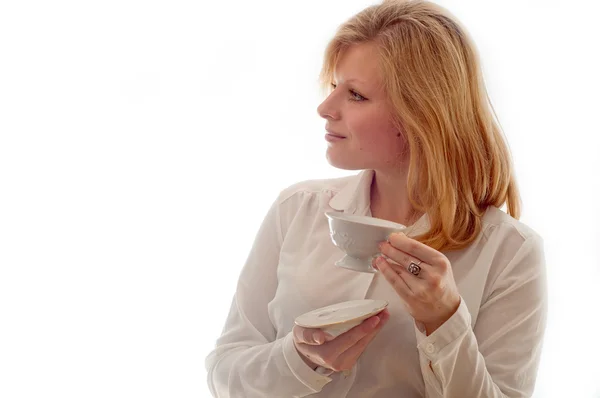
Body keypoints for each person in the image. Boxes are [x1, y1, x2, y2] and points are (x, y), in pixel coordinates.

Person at [205, 0, 547, 396]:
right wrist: (299, 359)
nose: (324, 108)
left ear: (422, 114)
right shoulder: (295, 210)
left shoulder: (510, 252)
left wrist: (445, 321)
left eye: (355, 95)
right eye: (335, 87)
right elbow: (224, 371)